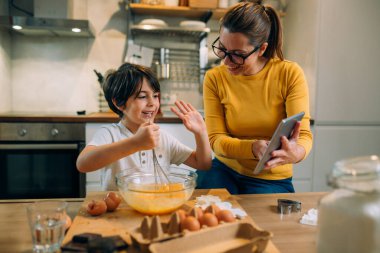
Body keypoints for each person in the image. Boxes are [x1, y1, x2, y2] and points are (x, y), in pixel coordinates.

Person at [197, 0, 313, 194]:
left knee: (270, 223)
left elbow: (304, 136)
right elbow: (216, 140)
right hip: (224, 170)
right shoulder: (214, 78)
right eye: (222, 49)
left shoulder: (289, 73)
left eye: (237, 54)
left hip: (271, 177)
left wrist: (296, 152)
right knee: (203, 214)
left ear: (262, 49)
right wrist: (252, 148)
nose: (226, 61)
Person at [76, 63, 212, 190]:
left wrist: (201, 132)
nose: (152, 103)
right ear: (119, 103)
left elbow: (202, 163)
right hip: (119, 211)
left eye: (155, 95)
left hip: (154, 209)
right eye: (142, 96)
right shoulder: (110, 133)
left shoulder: (162, 137)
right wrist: (135, 143)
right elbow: (82, 164)